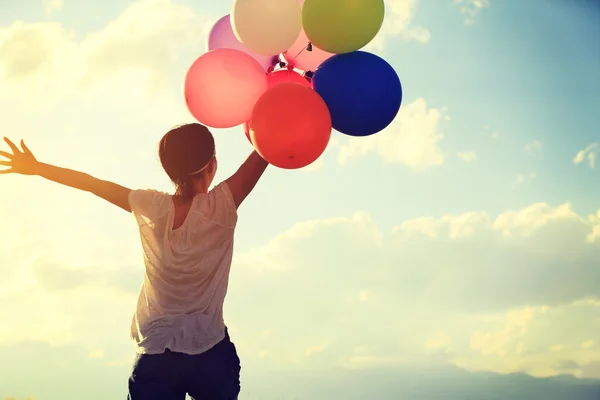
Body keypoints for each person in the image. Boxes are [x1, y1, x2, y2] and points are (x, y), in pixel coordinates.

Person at [0, 123, 269, 400]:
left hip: (157, 354)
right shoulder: (222, 205)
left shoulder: (150, 206)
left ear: (170, 171)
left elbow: (93, 184)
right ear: (212, 165)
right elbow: (268, 147)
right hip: (209, 352)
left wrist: (36, 167)